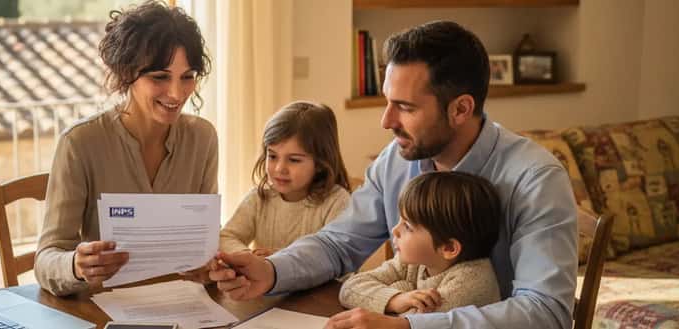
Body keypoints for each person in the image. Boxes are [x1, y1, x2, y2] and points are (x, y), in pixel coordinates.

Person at [209, 20, 577, 329]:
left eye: (404, 107)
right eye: (387, 101)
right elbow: (339, 244)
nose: (386, 121)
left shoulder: (536, 178)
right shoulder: (397, 161)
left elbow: (546, 311)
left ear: (461, 108)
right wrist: (270, 271)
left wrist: (408, 326)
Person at [34, 0, 217, 296]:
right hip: (105, 308)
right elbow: (46, 260)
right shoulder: (80, 143)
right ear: (125, 72)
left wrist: (210, 265)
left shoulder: (203, 138)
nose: (176, 93)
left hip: (182, 305)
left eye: (187, 77)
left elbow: (205, 241)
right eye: (159, 77)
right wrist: (76, 266)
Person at [339, 171, 501, 315]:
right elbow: (349, 289)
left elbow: (408, 322)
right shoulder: (417, 261)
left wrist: (403, 288)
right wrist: (396, 299)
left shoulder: (470, 284)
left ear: (449, 247)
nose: (395, 230)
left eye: (407, 226)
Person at [219, 101, 352, 256]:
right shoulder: (259, 198)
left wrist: (278, 263)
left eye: (294, 160)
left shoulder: (337, 201)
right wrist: (248, 258)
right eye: (273, 156)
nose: (279, 168)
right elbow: (226, 237)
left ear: (320, 164)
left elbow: (337, 257)